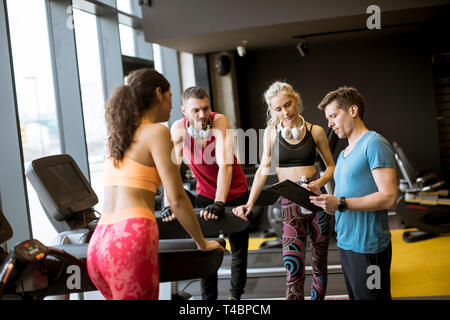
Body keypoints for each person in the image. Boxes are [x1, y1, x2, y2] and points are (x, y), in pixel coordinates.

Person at [86, 69, 224, 300]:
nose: (171, 106)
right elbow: (177, 199)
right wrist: (202, 243)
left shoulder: (118, 134)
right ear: (159, 93)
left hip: (99, 243)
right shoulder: (157, 132)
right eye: (170, 97)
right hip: (130, 239)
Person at [233, 81, 335, 300]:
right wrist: (250, 202)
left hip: (316, 202)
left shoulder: (315, 131)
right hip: (289, 205)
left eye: (288, 105)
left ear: (296, 100)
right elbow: (263, 168)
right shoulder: (271, 133)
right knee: (293, 267)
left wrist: (320, 183)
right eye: (278, 109)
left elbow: (331, 167)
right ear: (272, 110)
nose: (285, 112)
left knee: (319, 264)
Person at [310, 86, 397, 300]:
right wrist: (322, 198)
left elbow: (389, 197)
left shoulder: (374, 144)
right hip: (347, 244)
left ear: (352, 111)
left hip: (369, 247)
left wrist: (340, 203)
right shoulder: (343, 154)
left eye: (333, 116)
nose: (329, 123)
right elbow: (343, 198)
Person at [163, 86, 249, 300]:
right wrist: (169, 203)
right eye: (195, 111)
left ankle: (235, 298)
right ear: (184, 111)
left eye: (205, 108)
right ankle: (208, 302)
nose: (202, 115)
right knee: (205, 250)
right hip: (205, 195)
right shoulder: (177, 129)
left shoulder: (219, 121)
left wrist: (220, 202)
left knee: (238, 250)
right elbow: (170, 171)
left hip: (235, 192)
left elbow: (225, 165)